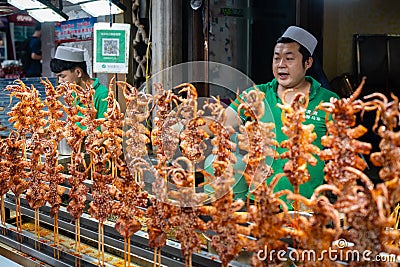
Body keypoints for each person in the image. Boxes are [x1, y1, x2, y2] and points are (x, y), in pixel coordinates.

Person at [205, 26, 339, 208]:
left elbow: (342, 156)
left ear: (307, 63)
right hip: (260, 203)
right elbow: (219, 124)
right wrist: (184, 127)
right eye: (276, 58)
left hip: (307, 207)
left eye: (289, 59)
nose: (281, 64)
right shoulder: (257, 95)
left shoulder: (328, 101)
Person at [50, 46, 108, 130]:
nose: (60, 81)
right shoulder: (73, 93)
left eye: (62, 76)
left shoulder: (102, 95)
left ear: (78, 72)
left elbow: (106, 131)